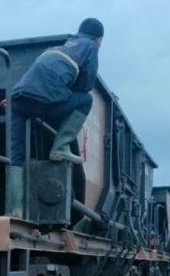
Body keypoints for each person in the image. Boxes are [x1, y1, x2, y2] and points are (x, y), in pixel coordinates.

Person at [6, 18, 104, 216]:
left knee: (16, 157)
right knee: (85, 100)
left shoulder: (57, 48)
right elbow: (85, 85)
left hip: (18, 100)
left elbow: (32, 79)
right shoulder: (89, 47)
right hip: (44, 99)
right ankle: (60, 147)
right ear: (97, 38)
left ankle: (14, 211)